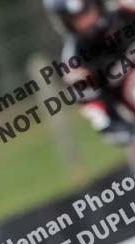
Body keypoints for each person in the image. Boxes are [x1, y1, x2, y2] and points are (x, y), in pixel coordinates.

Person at [44, 0, 135, 142]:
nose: (86, 21)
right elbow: (106, 123)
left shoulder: (127, 11)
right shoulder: (74, 65)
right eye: (75, 18)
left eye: (87, 11)